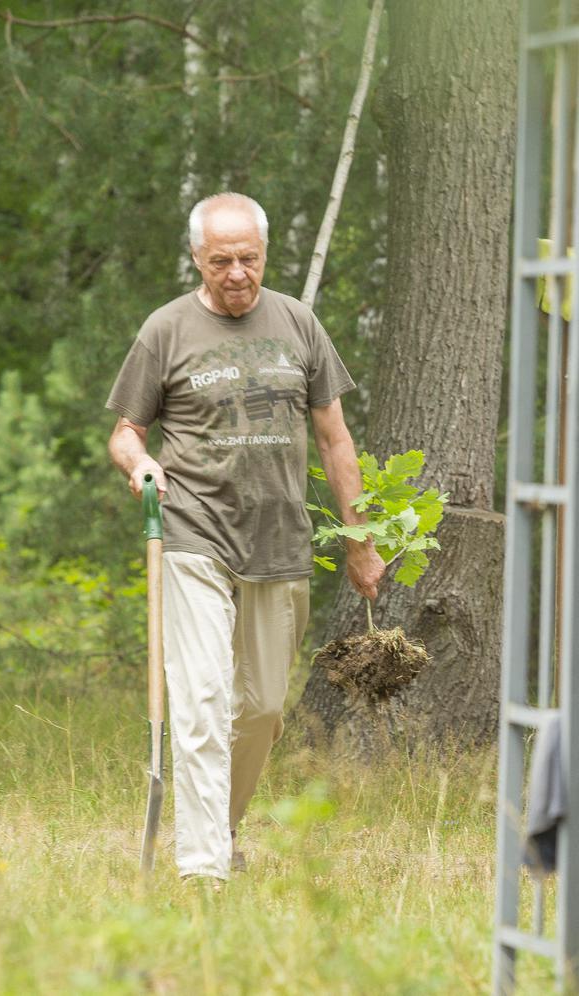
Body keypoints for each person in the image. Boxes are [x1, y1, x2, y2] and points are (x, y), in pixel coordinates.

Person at [106, 192, 384, 882]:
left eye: (248, 259)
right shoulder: (165, 330)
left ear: (265, 255)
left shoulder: (298, 323)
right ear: (198, 258)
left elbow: (334, 437)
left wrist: (360, 541)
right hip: (193, 531)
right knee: (199, 701)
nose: (236, 273)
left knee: (260, 708)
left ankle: (221, 825)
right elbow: (126, 432)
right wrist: (139, 464)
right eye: (221, 260)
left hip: (279, 541)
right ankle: (203, 869)